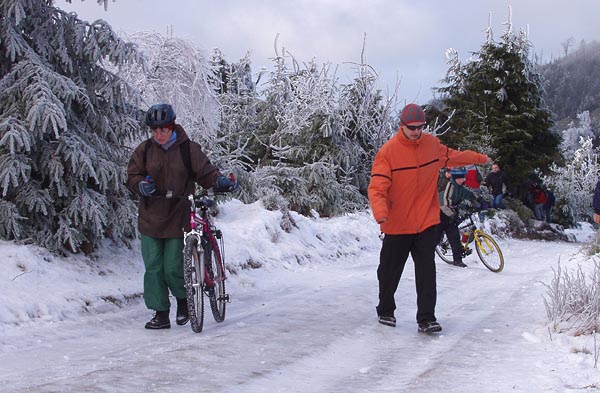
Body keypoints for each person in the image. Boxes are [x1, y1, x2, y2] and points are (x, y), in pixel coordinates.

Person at [368, 103, 490, 333]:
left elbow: (454, 156)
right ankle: (385, 309)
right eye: (412, 127)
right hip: (397, 224)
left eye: (420, 127)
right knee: (388, 272)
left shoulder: (431, 145)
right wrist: (381, 211)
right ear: (402, 125)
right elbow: (377, 187)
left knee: (426, 271)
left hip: (425, 221)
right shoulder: (388, 152)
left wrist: (479, 158)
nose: (416, 131)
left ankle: (426, 318)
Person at [127, 103, 239, 330]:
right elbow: (132, 175)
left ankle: (183, 301)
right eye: (154, 130)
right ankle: (160, 313)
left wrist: (219, 181)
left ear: (172, 126)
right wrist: (139, 185)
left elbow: (206, 172)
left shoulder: (188, 150)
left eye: (163, 129)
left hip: (178, 215)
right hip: (150, 216)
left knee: (172, 267)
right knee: (153, 269)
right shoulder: (144, 150)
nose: (158, 134)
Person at [436, 167, 477, 268]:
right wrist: (452, 215)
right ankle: (425, 259)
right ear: (455, 179)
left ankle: (457, 260)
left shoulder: (461, 188)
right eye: (460, 178)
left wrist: (479, 200)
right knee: (435, 237)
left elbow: (469, 194)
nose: (462, 180)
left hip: (450, 214)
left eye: (463, 178)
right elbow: (444, 205)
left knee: (454, 237)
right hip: (440, 213)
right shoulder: (449, 186)